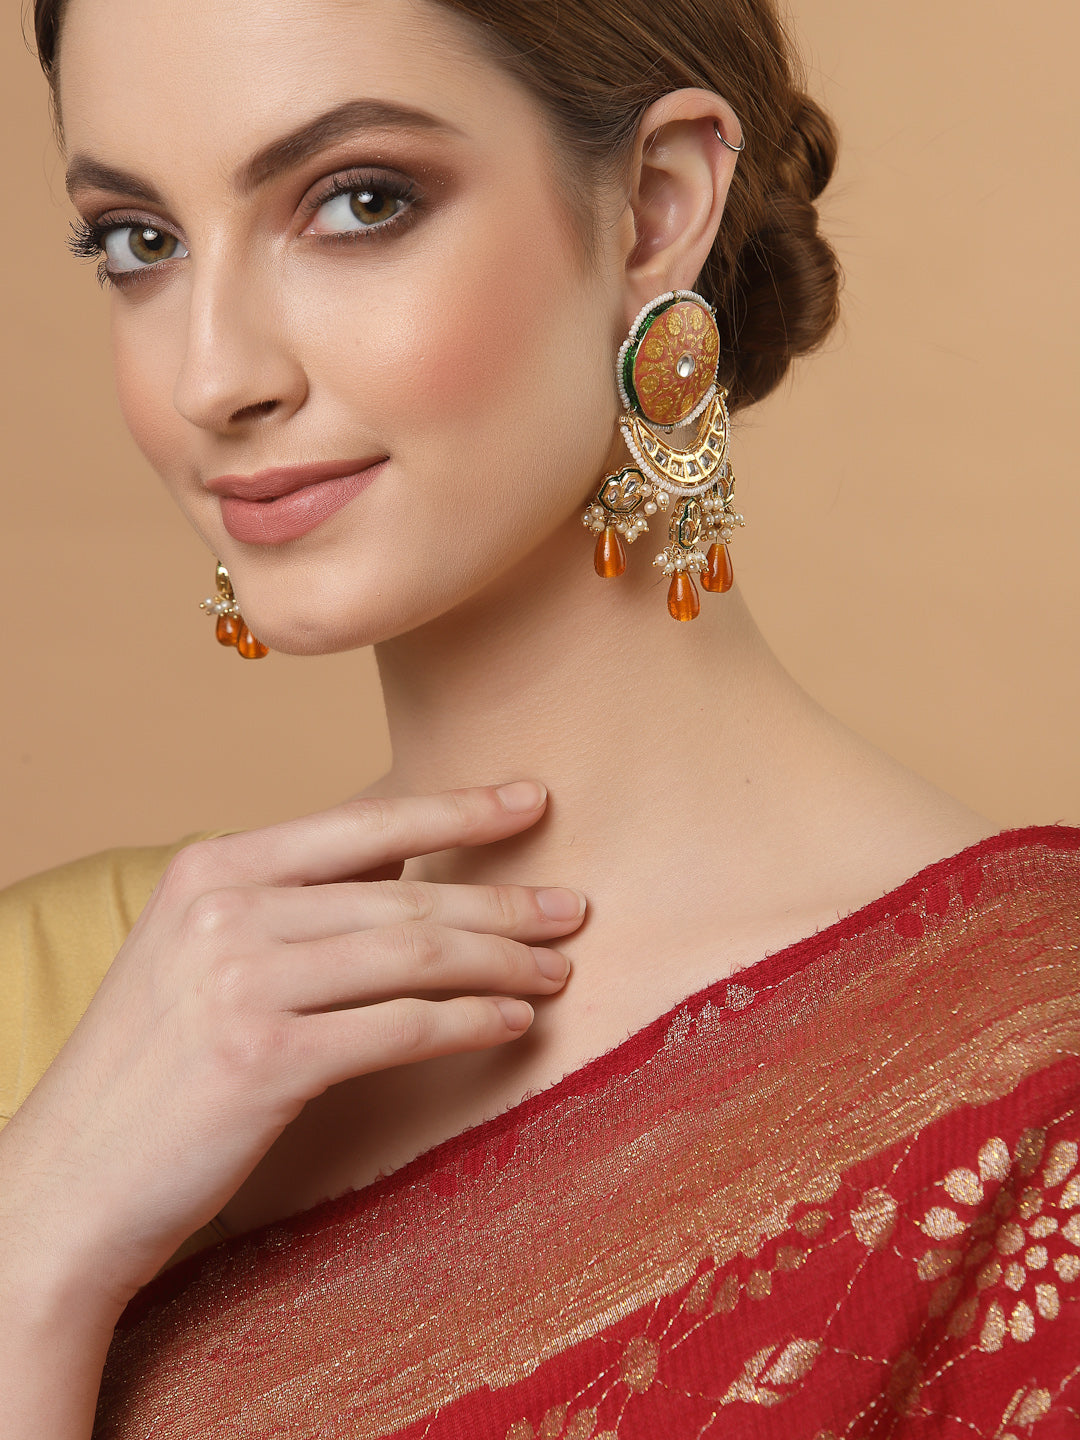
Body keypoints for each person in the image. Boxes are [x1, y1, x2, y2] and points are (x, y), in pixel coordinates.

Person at [2, 0, 1078, 1433]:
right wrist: (35, 1255)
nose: (215, 378)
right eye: (139, 242)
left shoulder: (1028, 1077)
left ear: (656, 208)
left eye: (357, 203)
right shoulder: (74, 1007)